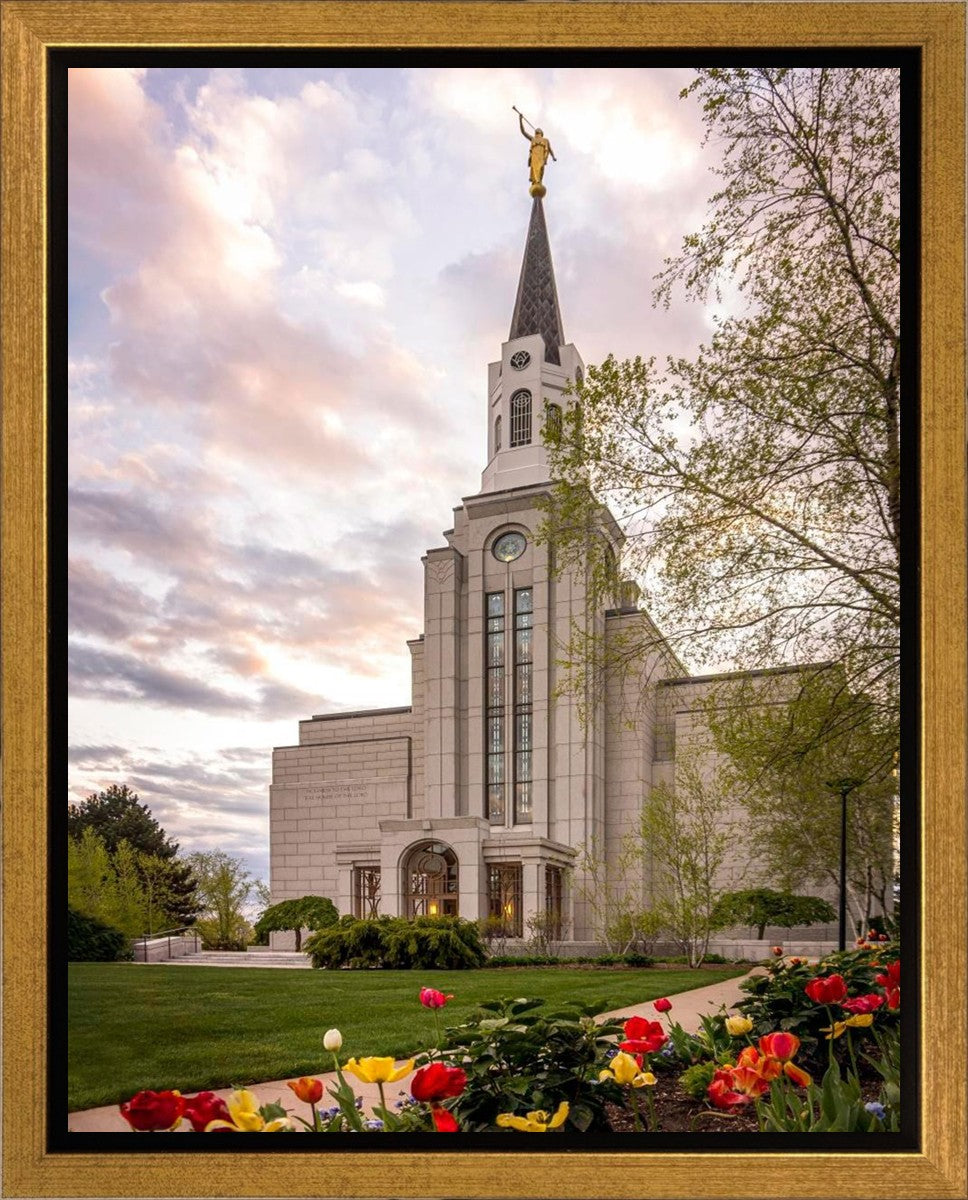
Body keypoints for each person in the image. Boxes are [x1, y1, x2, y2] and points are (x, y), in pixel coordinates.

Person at [518, 113, 556, 189]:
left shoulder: (545, 140)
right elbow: (523, 132)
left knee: (541, 168)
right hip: (534, 157)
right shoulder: (533, 139)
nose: (537, 130)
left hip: (541, 157)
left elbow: (550, 149)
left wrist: (553, 157)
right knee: (535, 170)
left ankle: (539, 182)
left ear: (541, 133)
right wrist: (520, 120)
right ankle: (536, 182)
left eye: (539, 130)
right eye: (537, 130)